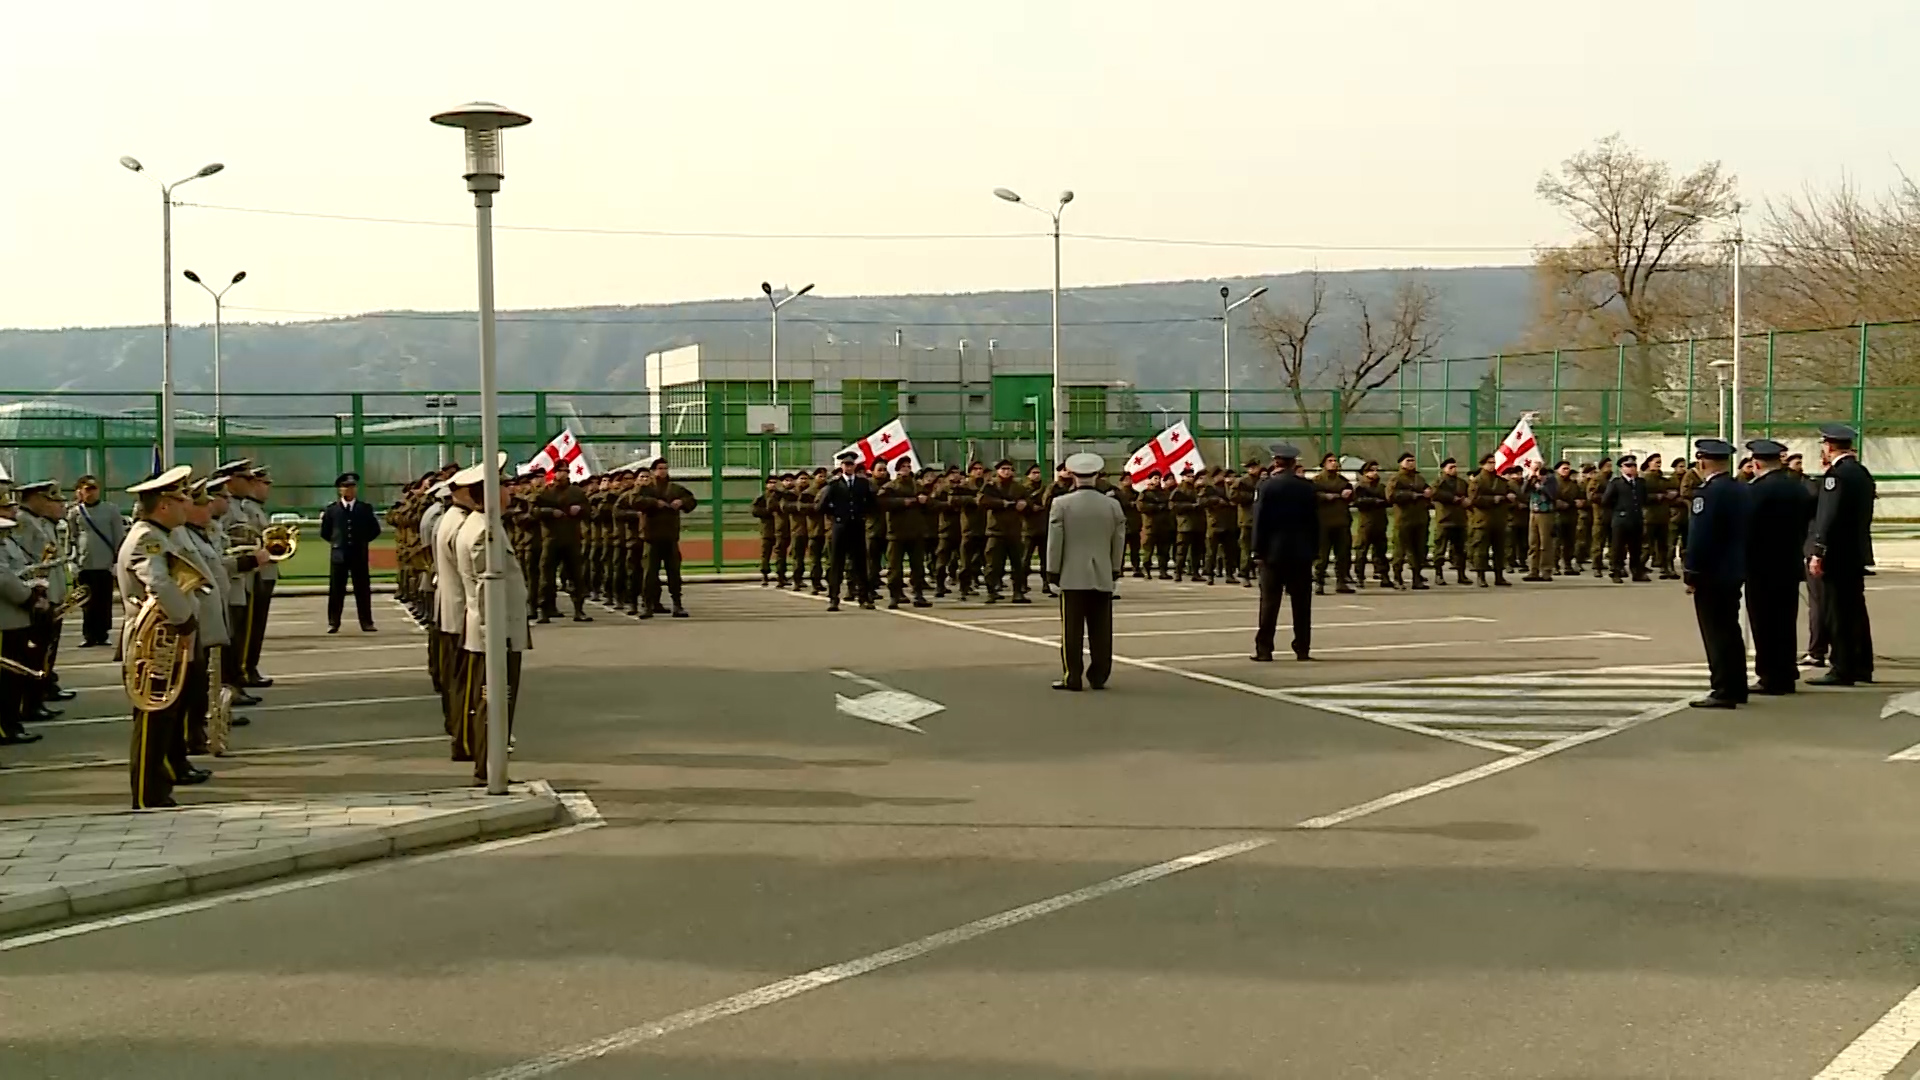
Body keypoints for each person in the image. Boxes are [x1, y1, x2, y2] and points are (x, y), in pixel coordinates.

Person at [118, 465, 200, 808]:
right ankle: (147, 795)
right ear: (163, 505)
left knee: (165, 720)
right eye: (182, 500)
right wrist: (184, 620)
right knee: (153, 721)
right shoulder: (148, 539)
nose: (188, 506)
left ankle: (158, 787)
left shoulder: (158, 535)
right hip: (153, 646)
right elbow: (160, 583)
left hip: (161, 644)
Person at [453, 462, 530, 784]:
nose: (509, 490)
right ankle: (488, 768)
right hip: (495, 631)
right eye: (503, 485)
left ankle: (490, 765)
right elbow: (487, 587)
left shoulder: (486, 525)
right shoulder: (484, 531)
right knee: (494, 700)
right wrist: (492, 635)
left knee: (495, 700)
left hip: (498, 629)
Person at [1046, 453, 1125, 692]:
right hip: (1102, 572)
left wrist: (1052, 571)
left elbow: (1055, 541)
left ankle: (1073, 676)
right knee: (1101, 628)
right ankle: (1099, 674)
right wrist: (1114, 568)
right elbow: (1118, 540)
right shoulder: (1112, 504)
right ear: (1097, 476)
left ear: (1072, 475)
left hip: (1072, 574)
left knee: (1072, 630)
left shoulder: (1061, 504)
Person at [1741, 438, 1815, 695]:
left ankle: (1771, 675)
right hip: (1789, 562)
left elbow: (1746, 527)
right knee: (1785, 620)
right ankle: (1786, 672)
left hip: (1761, 565)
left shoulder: (1755, 491)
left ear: (1756, 462)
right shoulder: (1797, 488)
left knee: (1764, 622)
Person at [1805, 423, 1876, 687]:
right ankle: (1861, 664)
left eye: (1824, 445)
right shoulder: (1860, 473)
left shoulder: (1837, 475)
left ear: (1830, 446)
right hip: (1855, 552)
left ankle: (1842, 667)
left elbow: (1827, 516)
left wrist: (1818, 550)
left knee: (1838, 611)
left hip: (1838, 554)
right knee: (1855, 610)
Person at [1683, 439, 1751, 709]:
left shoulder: (1707, 494)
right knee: (1730, 630)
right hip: (1734, 568)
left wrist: (1692, 571)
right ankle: (1737, 686)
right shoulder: (1740, 489)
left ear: (1701, 462)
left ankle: (1723, 689)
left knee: (1715, 632)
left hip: (1712, 572)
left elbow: (1700, 536)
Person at [1251, 443, 1319, 663]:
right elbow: (1314, 522)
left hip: (1273, 553)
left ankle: (1264, 649)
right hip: (1301, 552)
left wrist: (1257, 550)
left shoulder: (1266, 486)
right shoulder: (1306, 487)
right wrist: (1314, 549)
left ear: (1275, 461)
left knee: (1270, 602)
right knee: (1301, 604)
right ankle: (1302, 648)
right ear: (1294, 463)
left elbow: (1260, 521)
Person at [0, 501, 47, 748]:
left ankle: (11, 723)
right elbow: (5, 581)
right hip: (4, 621)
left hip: (13, 619)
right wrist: (30, 596)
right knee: (6, 679)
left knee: (14, 676)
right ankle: (5, 727)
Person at [435, 475, 476, 755]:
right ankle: (464, 739)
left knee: (457, 681)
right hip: (463, 612)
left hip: (453, 610)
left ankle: (461, 733)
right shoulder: (462, 523)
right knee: (465, 685)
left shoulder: (451, 517)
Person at [635, 458, 698, 619]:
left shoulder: (675, 488)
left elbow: (691, 501)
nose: (663, 471)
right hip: (651, 537)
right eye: (659, 468)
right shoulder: (646, 489)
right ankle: (647, 605)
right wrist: (655, 503)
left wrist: (681, 502)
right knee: (649, 574)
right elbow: (635, 501)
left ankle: (677, 604)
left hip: (670, 536)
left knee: (674, 573)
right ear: (653, 471)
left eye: (665, 468)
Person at [67, 474, 125, 648]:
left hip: (105, 562)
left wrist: (117, 560)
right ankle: (88, 635)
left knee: (103, 600)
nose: (91, 493)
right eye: (87, 489)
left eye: (94, 489)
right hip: (85, 563)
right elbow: (71, 537)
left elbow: (118, 535)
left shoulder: (111, 510)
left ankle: (103, 634)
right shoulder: (75, 512)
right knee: (87, 602)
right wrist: (71, 559)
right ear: (80, 492)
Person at [319, 472, 381, 633]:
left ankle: (366, 622)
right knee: (336, 590)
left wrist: (362, 541)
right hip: (339, 555)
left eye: (352, 487)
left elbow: (375, 530)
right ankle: (333, 622)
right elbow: (325, 532)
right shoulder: (332, 510)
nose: (350, 490)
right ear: (340, 490)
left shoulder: (364, 508)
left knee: (362, 589)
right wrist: (337, 543)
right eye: (346, 487)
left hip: (359, 555)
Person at [819, 450, 878, 612]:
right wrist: (836, 515)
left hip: (857, 526)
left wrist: (862, 514)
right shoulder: (834, 484)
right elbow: (822, 506)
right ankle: (833, 598)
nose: (849, 467)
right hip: (840, 527)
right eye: (846, 464)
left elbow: (873, 503)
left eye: (851, 464)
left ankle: (864, 597)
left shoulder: (862, 483)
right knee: (837, 563)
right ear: (841, 466)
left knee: (860, 563)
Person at [531, 467, 590, 623]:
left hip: (572, 538)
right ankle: (544, 610)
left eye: (565, 470)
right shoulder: (545, 493)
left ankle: (579, 609)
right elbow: (533, 511)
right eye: (559, 470)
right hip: (551, 539)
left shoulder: (576, 492)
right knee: (546, 577)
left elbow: (589, 510)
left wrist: (580, 509)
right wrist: (550, 512)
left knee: (577, 576)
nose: (562, 474)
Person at [881, 457, 933, 609]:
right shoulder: (890, 487)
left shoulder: (917, 486)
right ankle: (894, 595)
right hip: (896, 533)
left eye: (908, 466)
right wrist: (903, 502)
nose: (906, 469)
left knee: (918, 566)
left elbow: (931, 504)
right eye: (903, 466)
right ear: (897, 469)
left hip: (916, 532)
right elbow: (882, 503)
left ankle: (918, 594)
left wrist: (925, 501)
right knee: (894, 567)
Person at [1465, 453, 1514, 588]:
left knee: (1500, 550)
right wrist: (1493, 499)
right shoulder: (1477, 481)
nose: (1492, 465)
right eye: (1489, 463)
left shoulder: (1500, 481)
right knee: (1481, 550)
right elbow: (1474, 499)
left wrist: (1509, 496)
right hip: (1482, 520)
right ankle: (1481, 576)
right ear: (1483, 464)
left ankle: (1499, 576)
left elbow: (1508, 493)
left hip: (1499, 520)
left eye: (1493, 462)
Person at [1385, 452, 1432, 590]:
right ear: (1401, 463)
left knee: (1418, 551)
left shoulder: (1419, 478)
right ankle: (1397, 578)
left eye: (1413, 460)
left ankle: (1417, 578)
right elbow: (1391, 495)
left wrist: (1428, 493)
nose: (1411, 463)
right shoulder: (1397, 479)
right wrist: (1412, 495)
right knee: (1400, 550)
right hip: (1404, 519)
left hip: (1420, 519)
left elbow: (1428, 490)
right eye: (1408, 461)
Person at [1601, 455, 1649, 583]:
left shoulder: (1640, 483)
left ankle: (1636, 572)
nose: (1631, 468)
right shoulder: (1616, 483)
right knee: (1618, 547)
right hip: (1621, 520)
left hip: (1636, 519)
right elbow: (1606, 500)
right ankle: (1616, 571)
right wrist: (1618, 510)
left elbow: (1644, 499)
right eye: (1628, 466)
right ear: (1621, 468)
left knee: (1636, 548)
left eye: (1633, 466)